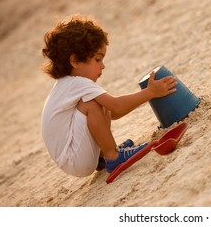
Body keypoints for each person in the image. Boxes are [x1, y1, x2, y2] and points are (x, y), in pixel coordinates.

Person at [41, 15, 177, 177]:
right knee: (90, 103)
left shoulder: (69, 85)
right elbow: (117, 106)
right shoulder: (76, 84)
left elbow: (113, 112)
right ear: (75, 61)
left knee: (98, 101)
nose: (103, 65)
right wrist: (150, 92)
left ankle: (104, 156)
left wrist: (146, 95)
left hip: (74, 159)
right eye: (98, 59)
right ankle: (113, 156)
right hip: (75, 159)